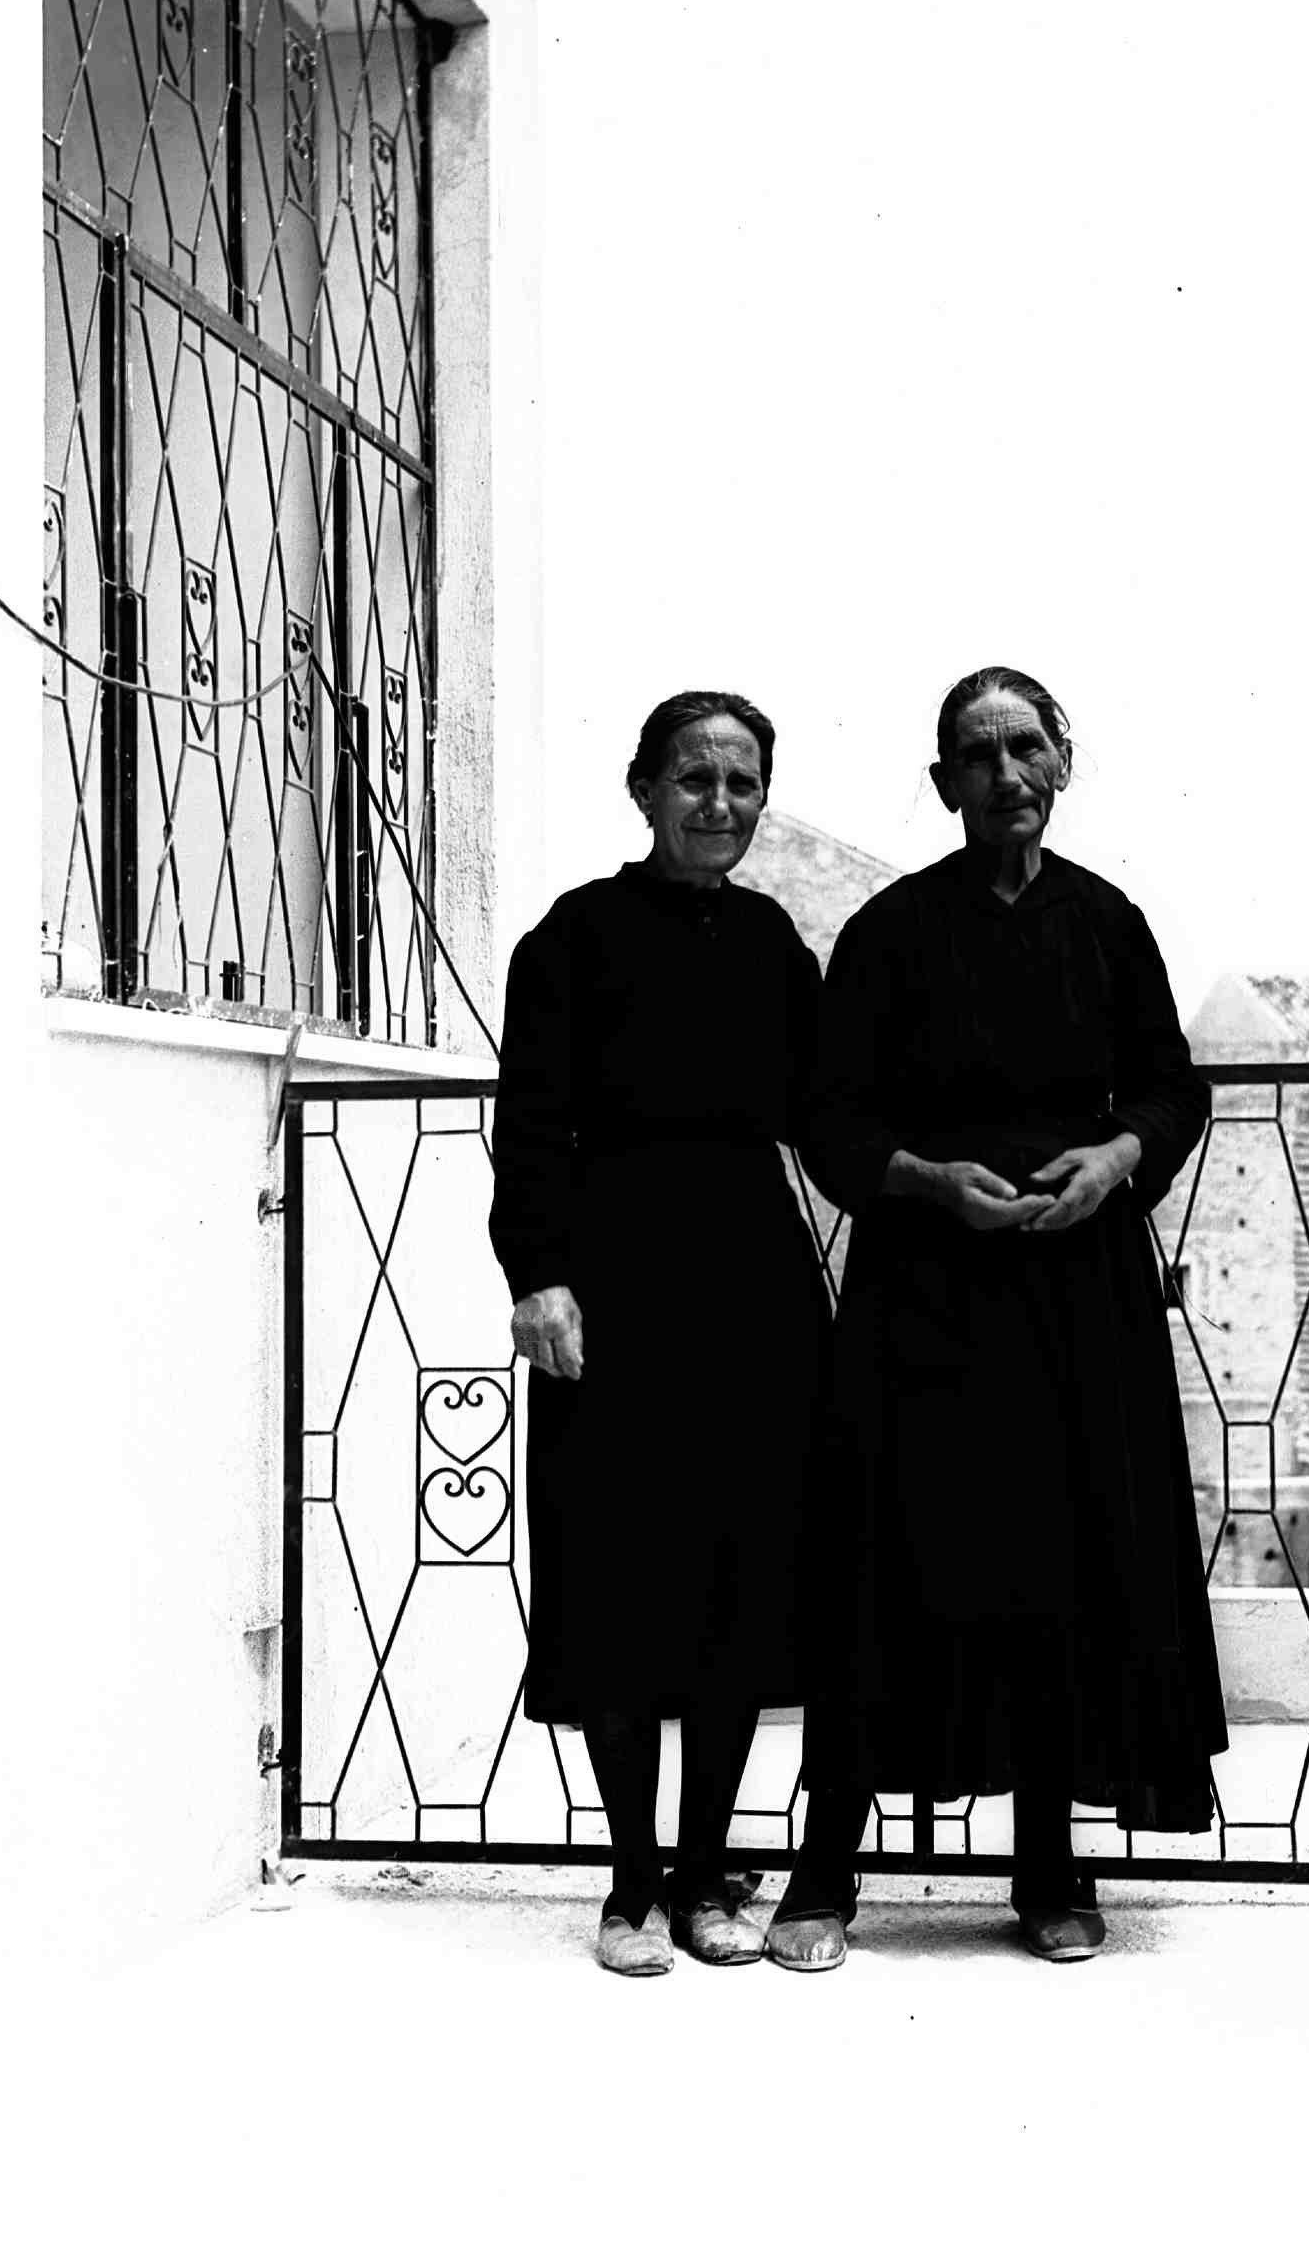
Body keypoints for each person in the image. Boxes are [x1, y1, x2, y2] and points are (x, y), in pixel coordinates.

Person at [766, 666, 1227, 1971]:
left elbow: (1171, 1087)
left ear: (1062, 763)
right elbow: (829, 1118)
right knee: (886, 1559)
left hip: (1080, 1293)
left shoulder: (1107, 922)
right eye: (979, 756)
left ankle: (1049, 1867)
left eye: (1028, 748)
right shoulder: (892, 931)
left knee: (1067, 1558)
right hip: (928, 1294)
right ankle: (824, 1872)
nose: (1007, 774)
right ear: (944, 783)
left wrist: (1117, 1157)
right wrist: (925, 1182)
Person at [489, 689, 829, 1976]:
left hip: (753, 1281)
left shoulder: (771, 942)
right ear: (642, 789)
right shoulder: (573, 937)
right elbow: (530, 1124)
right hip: (614, 1281)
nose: (719, 804)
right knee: (619, 1574)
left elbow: (827, 1108)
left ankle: (704, 1873)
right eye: (695, 778)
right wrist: (540, 1276)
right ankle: (632, 1881)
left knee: (739, 1576)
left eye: (743, 783)